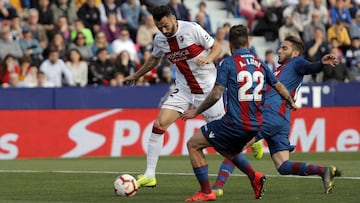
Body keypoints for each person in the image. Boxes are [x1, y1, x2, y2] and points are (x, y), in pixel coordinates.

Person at [212, 35, 342, 197]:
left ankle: (217, 187)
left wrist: (320, 64)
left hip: (270, 114)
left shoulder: (296, 62)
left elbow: (310, 67)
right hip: (282, 119)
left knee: (234, 148)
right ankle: (323, 171)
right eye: (280, 47)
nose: (279, 50)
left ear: (295, 53)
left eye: (284, 48)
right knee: (283, 166)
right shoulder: (279, 69)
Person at [180, 24, 297, 202]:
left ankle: (206, 192)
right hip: (256, 125)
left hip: (234, 123)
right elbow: (280, 87)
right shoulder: (261, 64)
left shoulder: (228, 63)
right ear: (249, 42)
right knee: (227, 150)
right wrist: (291, 103)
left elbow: (216, 94)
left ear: (230, 44)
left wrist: (196, 111)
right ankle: (254, 176)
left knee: (193, 144)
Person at [124, 5, 225, 189]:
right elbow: (155, 59)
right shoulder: (160, 39)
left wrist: (209, 59)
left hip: (208, 90)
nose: (163, 30)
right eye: (158, 27)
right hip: (184, 89)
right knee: (159, 124)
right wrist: (137, 75)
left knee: (224, 143)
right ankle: (150, 175)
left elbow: (217, 47)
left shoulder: (191, 28)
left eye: (165, 25)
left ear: (172, 18)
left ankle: (252, 140)